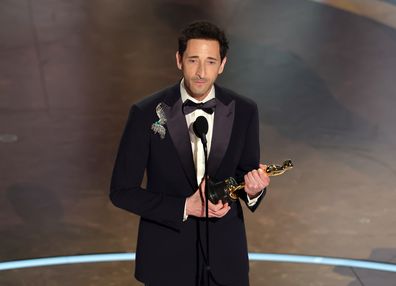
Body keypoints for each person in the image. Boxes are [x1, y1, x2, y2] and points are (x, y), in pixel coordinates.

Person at [110, 21, 270, 286]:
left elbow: (244, 176)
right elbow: (122, 191)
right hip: (166, 258)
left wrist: (253, 191)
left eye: (210, 62)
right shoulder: (146, 113)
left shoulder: (244, 111)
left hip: (225, 261)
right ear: (179, 60)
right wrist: (185, 207)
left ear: (222, 64)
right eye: (193, 60)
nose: (200, 72)